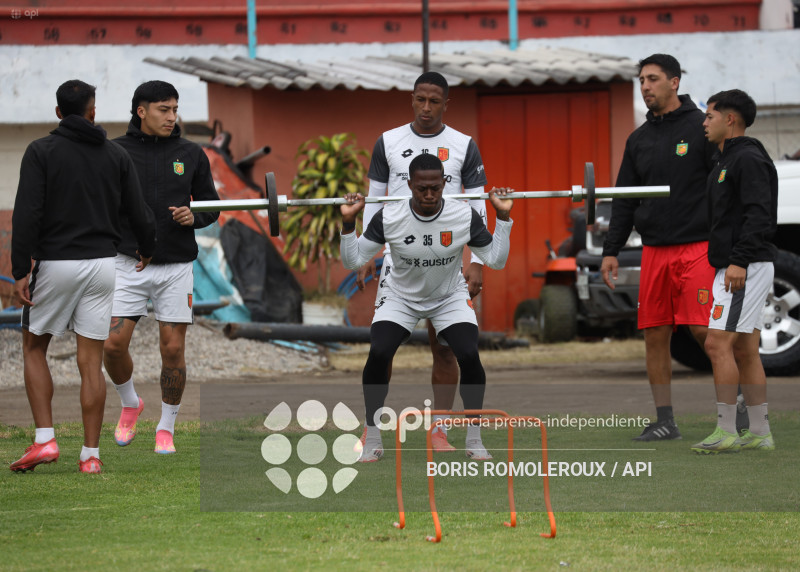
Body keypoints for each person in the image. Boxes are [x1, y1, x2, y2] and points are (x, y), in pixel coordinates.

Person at [10, 80, 156, 474]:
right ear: (93, 111)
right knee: (90, 362)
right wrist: (147, 248)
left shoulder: (41, 151)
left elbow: (27, 212)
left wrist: (20, 270)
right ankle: (90, 456)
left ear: (59, 113)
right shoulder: (115, 154)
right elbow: (138, 209)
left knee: (34, 347)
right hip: (103, 266)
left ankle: (45, 439)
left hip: (57, 263)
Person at [340, 153, 514, 462]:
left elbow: (496, 260)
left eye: (436, 187)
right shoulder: (389, 217)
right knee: (379, 352)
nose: (430, 195)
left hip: (448, 296)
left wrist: (502, 217)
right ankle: (373, 436)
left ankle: (474, 439)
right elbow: (353, 260)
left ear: (445, 183)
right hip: (399, 296)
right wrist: (348, 222)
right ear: (409, 185)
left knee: (469, 354)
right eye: (422, 189)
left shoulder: (463, 215)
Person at [357, 71, 489, 451]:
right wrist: (368, 252)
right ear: (412, 100)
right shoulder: (389, 142)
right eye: (420, 99)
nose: (426, 108)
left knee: (447, 348)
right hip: (399, 259)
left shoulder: (463, 145)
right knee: (383, 349)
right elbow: (375, 198)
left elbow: (477, 205)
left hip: (446, 259)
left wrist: (477, 261)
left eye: (434, 101)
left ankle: (440, 430)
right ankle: (372, 430)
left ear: (446, 103)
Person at [601, 54, 716, 441]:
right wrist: (611, 250)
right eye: (641, 80)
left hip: (698, 247)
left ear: (674, 82)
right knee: (654, 334)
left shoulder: (702, 128)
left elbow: (725, 187)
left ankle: (736, 413)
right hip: (654, 251)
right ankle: (665, 421)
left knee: (705, 331)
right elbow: (624, 200)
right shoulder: (638, 140)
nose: (645, 86)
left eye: (652, 79)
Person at [103, 81, 219, 455]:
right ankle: (130, 403)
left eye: (175, 109)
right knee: (112, 345)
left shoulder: (192, 153)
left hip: (176, 266)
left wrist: (194, 216)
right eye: (163, 109)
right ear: (141, 111)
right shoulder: (115, 152)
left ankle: (166, 428)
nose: (172, 117)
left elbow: (212, 206)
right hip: (127, 262)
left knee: (172, 349)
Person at [691, 89, 778, 454]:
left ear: (730, 119)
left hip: (745, 266)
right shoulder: (724, 160)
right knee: (745, 349)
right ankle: (759, 432)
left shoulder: (748, 158)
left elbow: (759, 214)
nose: (704, 122)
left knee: (716, 343)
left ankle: (727, 431)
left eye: (709, 116)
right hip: (739, 264)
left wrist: (739, 260)